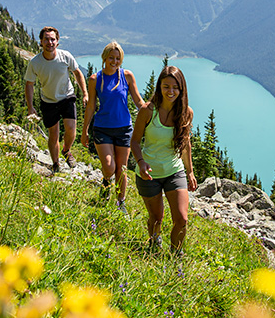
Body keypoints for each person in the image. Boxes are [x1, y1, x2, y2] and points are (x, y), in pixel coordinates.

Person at [131, 65, 197, 254]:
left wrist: (190, 171)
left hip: (174, 171)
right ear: (159, 86)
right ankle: (154, 243)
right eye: (166, 86)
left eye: (175, 87)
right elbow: (135, 141)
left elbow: (186, 144)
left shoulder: (186, 113)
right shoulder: (147, 111)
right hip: (149, 173)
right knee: (156, 218)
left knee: (182, 219)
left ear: (181, 89)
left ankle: (176, 256)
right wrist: (141, 162)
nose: (171, 91)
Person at [81, 41, 144, 213]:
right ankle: (106, 182)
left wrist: (150, 117)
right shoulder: (95, 79)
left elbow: (138, 101)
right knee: (109, 166)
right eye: (111, 58)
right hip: (102, 128)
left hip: (124, 129)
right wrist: (84, 130)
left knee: (122, 169)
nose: (114, 62)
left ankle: (120, 202)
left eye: (118, 58)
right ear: (105, 58)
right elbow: (91, 106)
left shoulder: (127, 76)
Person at [24, 26, 88, 175]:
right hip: (48, 101)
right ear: (41, 42)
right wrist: (30, 107)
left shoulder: (65, 56)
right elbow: (29, 84)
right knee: (54, 135)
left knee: (71, 129)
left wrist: (85, 93)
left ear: (57, 42)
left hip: (67, 96)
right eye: (46, 39)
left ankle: (66, 150)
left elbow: (77, 73)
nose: (50, 42)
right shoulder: (35, 62)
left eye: (52, 39)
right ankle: (55, 164)